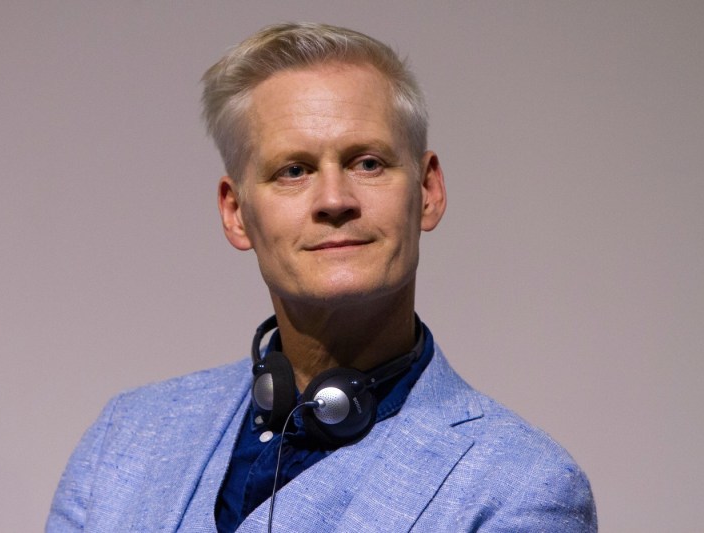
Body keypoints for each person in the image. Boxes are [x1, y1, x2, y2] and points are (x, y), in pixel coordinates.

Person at [47, 22, 596, 532]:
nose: (334, 200)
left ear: (428, 191)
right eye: (294, 170)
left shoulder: (521, 486)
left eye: (368, 163)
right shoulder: (123, 438)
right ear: (236, 213)